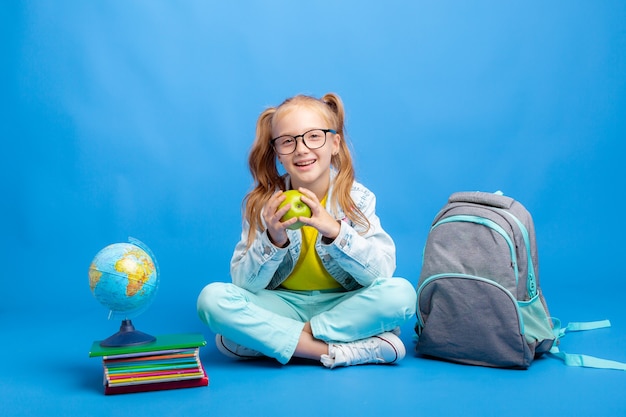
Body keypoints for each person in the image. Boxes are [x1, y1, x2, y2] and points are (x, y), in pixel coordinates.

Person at [197, 92, 416, 368]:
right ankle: (343, 349)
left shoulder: (357, 199)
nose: (301, 149)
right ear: (277, 152)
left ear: (335, 143)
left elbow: (381, 273)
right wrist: (273, 240)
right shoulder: (264, 204)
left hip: (342, 305)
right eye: (288, 141)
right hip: (283, 304)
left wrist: (336, 231)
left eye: (314, 136)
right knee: (211, 300)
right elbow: (242, 283)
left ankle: (273, 339)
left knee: (402, 294)